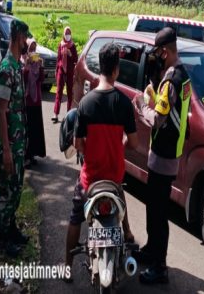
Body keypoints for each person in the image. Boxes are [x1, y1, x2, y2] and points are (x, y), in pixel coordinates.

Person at [64, 43, 138, 281]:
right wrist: (119, 144)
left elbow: (77, 143)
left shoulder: (86, 103)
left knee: (76, 215)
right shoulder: (124, 103)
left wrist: (89, 150)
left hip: (90, 181)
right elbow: (134, 143)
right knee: (121, 198)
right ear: (116, 70)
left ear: (101, 69)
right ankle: (126, 233)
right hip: (114, 178)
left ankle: (67, 266)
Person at [133, 27, 192, 284]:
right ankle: (151, 249)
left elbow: (158, 120)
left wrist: (142, 105)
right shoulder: (184, 75)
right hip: (172, 152)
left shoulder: (170, 81)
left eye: (158, 52)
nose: (156, 57)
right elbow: (176, 111)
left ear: (165, 51)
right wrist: (155, 96)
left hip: (164, 155)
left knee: (158, 212)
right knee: (154, 205)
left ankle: (160, 266)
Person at [0, 19, 30, 257]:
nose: (27, 42)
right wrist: (6, 149)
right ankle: (2, 239)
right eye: (25, 37)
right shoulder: (6, 68)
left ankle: (11, 228)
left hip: (17, 145)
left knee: (15, 189)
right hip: (8, 145)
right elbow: (1, 110)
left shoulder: (16, 65)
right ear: (18, 37)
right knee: (6, 191)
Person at [22, 38, 46, 166]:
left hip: (36, 100)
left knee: (35, 129)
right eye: (31, 48)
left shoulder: (36, 63)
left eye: (34, 49)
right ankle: (26, 155)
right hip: (28, 100)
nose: (32, 51)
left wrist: (41, 66)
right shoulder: (23, 59)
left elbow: (41, 79)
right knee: (28, 129)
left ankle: (33, 154)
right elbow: (24, 78)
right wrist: (27, 64)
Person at [52, 26, 78, 123]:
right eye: (66, 33)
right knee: (58, 92)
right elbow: (58, 59)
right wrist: (56, 70)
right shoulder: (61, 44)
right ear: (63, 34)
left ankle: (68, 115)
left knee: (70, 93)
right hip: (61, 71)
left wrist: (70, 54)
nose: (67, 35)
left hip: (70, 72)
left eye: (69, 33)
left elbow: (76, 59)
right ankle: (55, 114)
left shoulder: (72, 46)